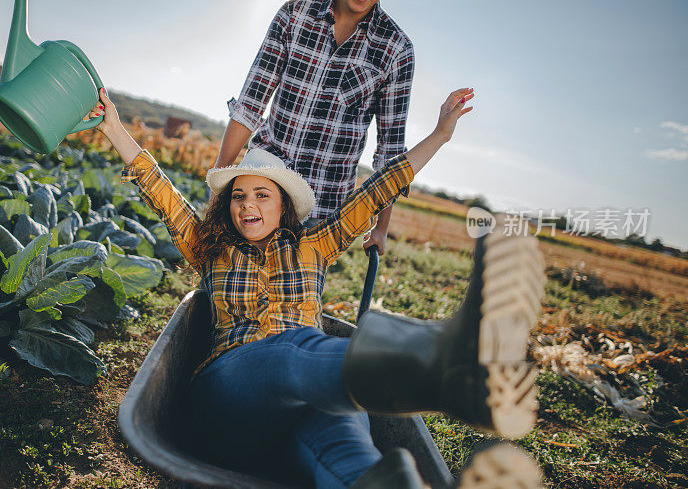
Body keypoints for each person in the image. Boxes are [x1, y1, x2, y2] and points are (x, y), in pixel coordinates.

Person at [89, 87, 544, 488]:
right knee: (294, 350)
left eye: (261, 194)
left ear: (283, 204)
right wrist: (113, 127)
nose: (248, 204)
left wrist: (441, 135)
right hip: (231, 397)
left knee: (349, 436)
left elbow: (378, 190)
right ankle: (446, 363)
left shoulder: (313, 245)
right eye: (238, 196)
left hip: (306, 401)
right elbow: (158, 186)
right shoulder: (209, 247)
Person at [214, 0, 430, 257]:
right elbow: (250, 105)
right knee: (232, 282)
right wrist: (218, 185)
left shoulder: (396, 49)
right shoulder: (294, 15)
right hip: (263, 181)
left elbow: (389, 150)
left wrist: (381, 227)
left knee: (296, 298)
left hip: (324, 202)